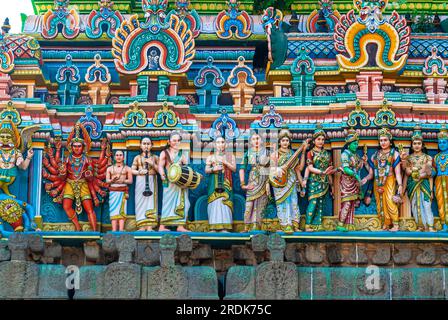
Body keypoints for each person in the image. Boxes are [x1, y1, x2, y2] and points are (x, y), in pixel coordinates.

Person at [269, 129, 308, 233]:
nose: (285, 143)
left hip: (291, 181)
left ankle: (294, 224)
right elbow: (272, 170)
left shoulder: (292, 153)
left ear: (289, 142)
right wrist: (279, 170)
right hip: (280, 182)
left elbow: (298, 169)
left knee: (293, 202)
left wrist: (303, 152)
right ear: (279, 142)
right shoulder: (275, 154)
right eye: (283, 141)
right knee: (283, 203)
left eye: (287, 140)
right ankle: (285, 225)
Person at [368, 127, 403, 232]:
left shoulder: (394, 153)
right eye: (381, 140)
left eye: (385, 140)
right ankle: (385, 224)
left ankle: (395, 224)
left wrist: (400, 185)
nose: (383, 142)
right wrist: (365, 164)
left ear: (390, 141)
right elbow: (372, 171)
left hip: (390, 180)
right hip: (378, 182)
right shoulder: (376, 155)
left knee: (389, 201)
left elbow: (397, 172)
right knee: (380, 203)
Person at [336, 129, 372, 232]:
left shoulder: (355, 155)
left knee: (352, 204)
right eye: (354, 143)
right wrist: (355, 175)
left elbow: (358, 167)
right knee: (346, 203)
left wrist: (363, 161)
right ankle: (340, 223)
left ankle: (349, 224)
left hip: (354, 183)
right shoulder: (345, 154)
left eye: (357, 143)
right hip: (347, 182)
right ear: (349, 144)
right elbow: (346, 168)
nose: (356, 145)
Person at [400, 127, 435, 232]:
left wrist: (431, 190)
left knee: (427, 204)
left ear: (422, 145)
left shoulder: (428, 158)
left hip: (424, 184)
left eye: (419, 143)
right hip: (413, 185)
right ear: (411, 145)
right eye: (414, 143)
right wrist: (403, 189)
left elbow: (430, 175)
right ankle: (420, 226)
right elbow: (406, 173)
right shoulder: (409, 158)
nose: (416, 145)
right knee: (415, 205)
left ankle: (430, 226)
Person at [303, 124, 335, 232]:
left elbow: (329, 171)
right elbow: (310, 167)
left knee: (321, 203)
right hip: (314, 181)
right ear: (314, 140)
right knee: (313, 202)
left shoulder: (327, 154)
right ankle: (308, 225)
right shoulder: (310, 153)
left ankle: (318, 224)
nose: (321, 141)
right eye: (318, 139)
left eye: (322, 139)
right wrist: (322, 172)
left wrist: (332, 186)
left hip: (324, 182)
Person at [158, 131, 190, 232]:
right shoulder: (165, 153)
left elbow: (186, 167)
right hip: (169, 181)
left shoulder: (182, 154)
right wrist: (162, 175)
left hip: (180, 182)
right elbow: (160, 166)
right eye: (174, 140)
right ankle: (162, 226)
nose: (176, 142)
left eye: (178, 140)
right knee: (167, 203)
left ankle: (180, 226)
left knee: (184, 202)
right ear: (169, 142)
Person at [239, 131, 270, 232]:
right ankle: (246, 226)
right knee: (249, 205)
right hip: (252, 181)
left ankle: (256, 227)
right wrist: (243, 184)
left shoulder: (267, 152)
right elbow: (241, 168)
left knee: (260, 205)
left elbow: (272, 169)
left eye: (258, 138)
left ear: (262, 140)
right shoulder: (247, 153)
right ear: (250, 142)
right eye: (253, 139)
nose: (256, 141)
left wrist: (268, 184)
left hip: (264, 180)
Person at [205, 136, 236, 232]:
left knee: (225, 202)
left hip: (226, 182)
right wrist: (213, 169)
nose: (220, 144)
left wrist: (225, 162)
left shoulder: (231, 156)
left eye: (222, 142)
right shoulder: (210, 157)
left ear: (225, 144)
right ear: (214, 144)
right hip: (213, 182)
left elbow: (234, 169)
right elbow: (206, 170)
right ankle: (213, 226)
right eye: (218, 142)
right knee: (214, 202)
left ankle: (225, 227)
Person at [131, 137, 159, 231]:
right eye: (144, 143)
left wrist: (152, 163)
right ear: (140, 145)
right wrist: (140, 172)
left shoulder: (155, 157)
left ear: (151, 145)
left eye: (148, 144)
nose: (146, 146)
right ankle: (141, 226)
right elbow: (132, 170)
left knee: (151, 202)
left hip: (151, 180)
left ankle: (150, 226)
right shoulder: (137, 158)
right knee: (140, 201)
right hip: (140, 180)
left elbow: (160, 170)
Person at [106, 150, 133, 231]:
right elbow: (107, 180)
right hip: (113, 192)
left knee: (122, 211)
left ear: (123, 157)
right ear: (114, 157)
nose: (118, 157)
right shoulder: (110, 169)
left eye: (120, 155)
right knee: (113, 211)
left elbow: (130, 181)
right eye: (117, 155)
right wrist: (112, 180)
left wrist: (123, 181)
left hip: (122, 192)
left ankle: (121, 230)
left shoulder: (127, 168)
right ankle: (114, 229)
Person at [433, 125, 448, 232]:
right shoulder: (436, 157)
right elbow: (434, 171)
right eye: (440, 142)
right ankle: (444, 224)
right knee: (441, 202)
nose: (442, 145)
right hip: (438, 181)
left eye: (444, 142)